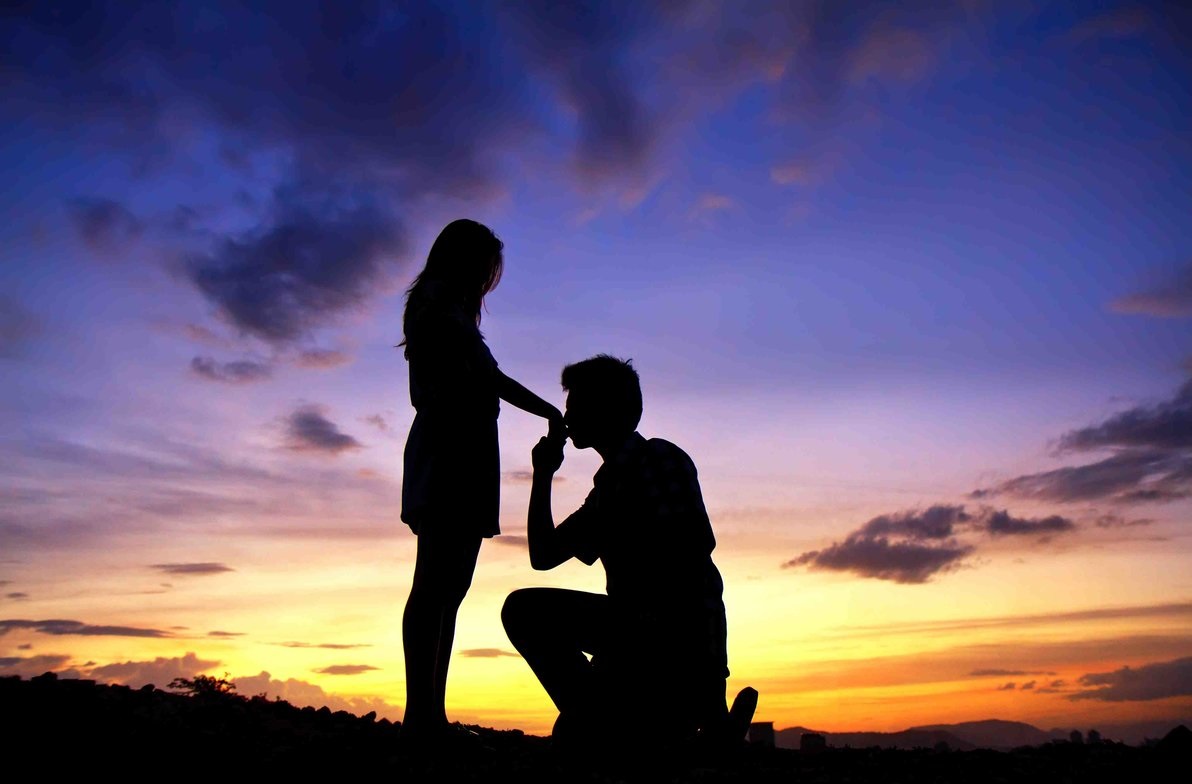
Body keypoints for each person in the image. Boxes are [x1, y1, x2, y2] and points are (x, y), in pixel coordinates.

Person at [502, 355, 751, 755]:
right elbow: (543, 555)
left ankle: (697, 723)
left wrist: (706, 687)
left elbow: (689, 559)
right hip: (639, 644)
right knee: (572, 732)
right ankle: (668, 731)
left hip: (668, 646)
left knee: (525, 612)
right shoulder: (607, 490)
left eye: (576, 405)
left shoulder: (657, 459)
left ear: (608, 410)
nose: (567, 417)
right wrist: (543, 474)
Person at [399, 219, 563, 738]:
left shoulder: (445, 308)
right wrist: (549, 412)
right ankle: (421, 716)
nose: (488, 279)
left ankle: (430, 713)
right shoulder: (440, 307)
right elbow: (490, 379)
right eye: (485, 267)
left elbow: (485, 380)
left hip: (464, 453)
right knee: (436, 585)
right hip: (451, 452)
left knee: (448, 588)